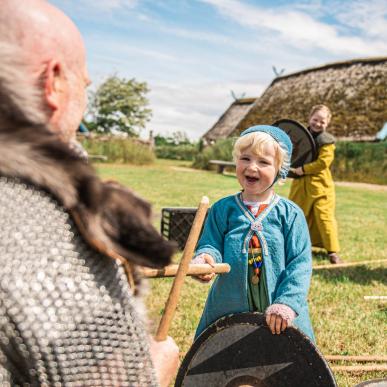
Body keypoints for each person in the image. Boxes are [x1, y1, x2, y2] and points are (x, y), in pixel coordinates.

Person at [0, 1, 179, 386]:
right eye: (85, 82)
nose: (85, 93)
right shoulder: (41, 233)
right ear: (54, 82)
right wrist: (151, 372)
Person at [192, 125, 315, 342]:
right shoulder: (223, 209)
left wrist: (287, 302)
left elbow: (300, 264)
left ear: (280, 170)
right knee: (224, 355)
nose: (252, 167)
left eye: (264, 162)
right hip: (229, 304)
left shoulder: (290, 214)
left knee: (286, 359)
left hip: (278, 310)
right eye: (245, 158)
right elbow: (211, 244)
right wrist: (206, 259)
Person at [289, 104, 342, 264]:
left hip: (320, 185)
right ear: (309, 118)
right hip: (300, 185)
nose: (318, 124)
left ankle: (333, 252)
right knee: (295, 216)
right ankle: (293, 248)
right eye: (315, 119)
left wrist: (304, 169)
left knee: (324, 216)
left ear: (327, 123)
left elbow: (323, 162)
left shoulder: (327, 141)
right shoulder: (300, 136)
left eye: (322, 121)